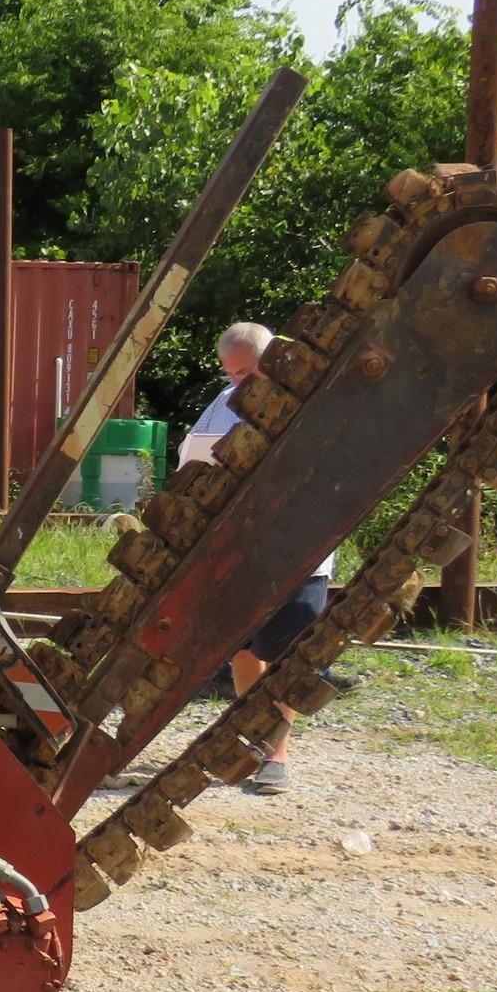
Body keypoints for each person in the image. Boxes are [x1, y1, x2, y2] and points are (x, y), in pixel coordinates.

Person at [177, 321, 332, 795]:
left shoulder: (315, 401)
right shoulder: (221, 407)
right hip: (242, 552)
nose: (236, 385)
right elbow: (188, 460)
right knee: (244, 650)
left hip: (300, 551)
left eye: (245, 374)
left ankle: (276, 757)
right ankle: (257, 744)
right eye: (230, 375)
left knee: (282, 654)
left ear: (272, 361)